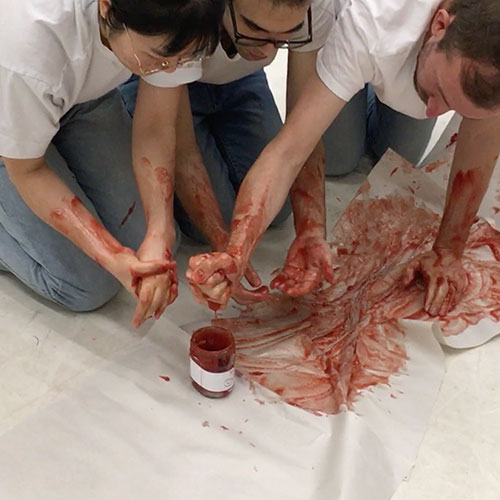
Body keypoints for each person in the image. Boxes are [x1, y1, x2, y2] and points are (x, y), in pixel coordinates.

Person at [186, 0, 500, 317]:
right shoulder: (371, 24)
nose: (433, 111)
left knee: (400, 151)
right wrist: (238, 252)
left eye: (453, 108)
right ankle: (360, 80)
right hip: (372, 37)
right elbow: (288, 151)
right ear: (439, 26)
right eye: (440, 92)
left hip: (424, 52)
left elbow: (482, 137)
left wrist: (448, 250)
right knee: (339, 158)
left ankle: (406, 88)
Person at [0, 0, 224, 327]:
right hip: (8, 116)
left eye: (183, 59)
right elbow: (29, 171)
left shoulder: (184, 17)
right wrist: (111, 256)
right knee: (86, 285)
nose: (173, 69)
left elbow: (156, 127)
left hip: (81, 97)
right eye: (159, 59)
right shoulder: (29, 44)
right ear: (107, 7)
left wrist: (158, 232)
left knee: (155, 244)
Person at [120, 0, 335, 301]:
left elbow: (302, 135)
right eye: (254, 29)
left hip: (240, 80)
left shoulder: (315, 8)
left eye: (284, 36)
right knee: (206, 222)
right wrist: (225, 248)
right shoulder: (181, 13)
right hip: (165, 71)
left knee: (279, 209)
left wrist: (311, 230)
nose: (267, 52)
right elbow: (180, 148)